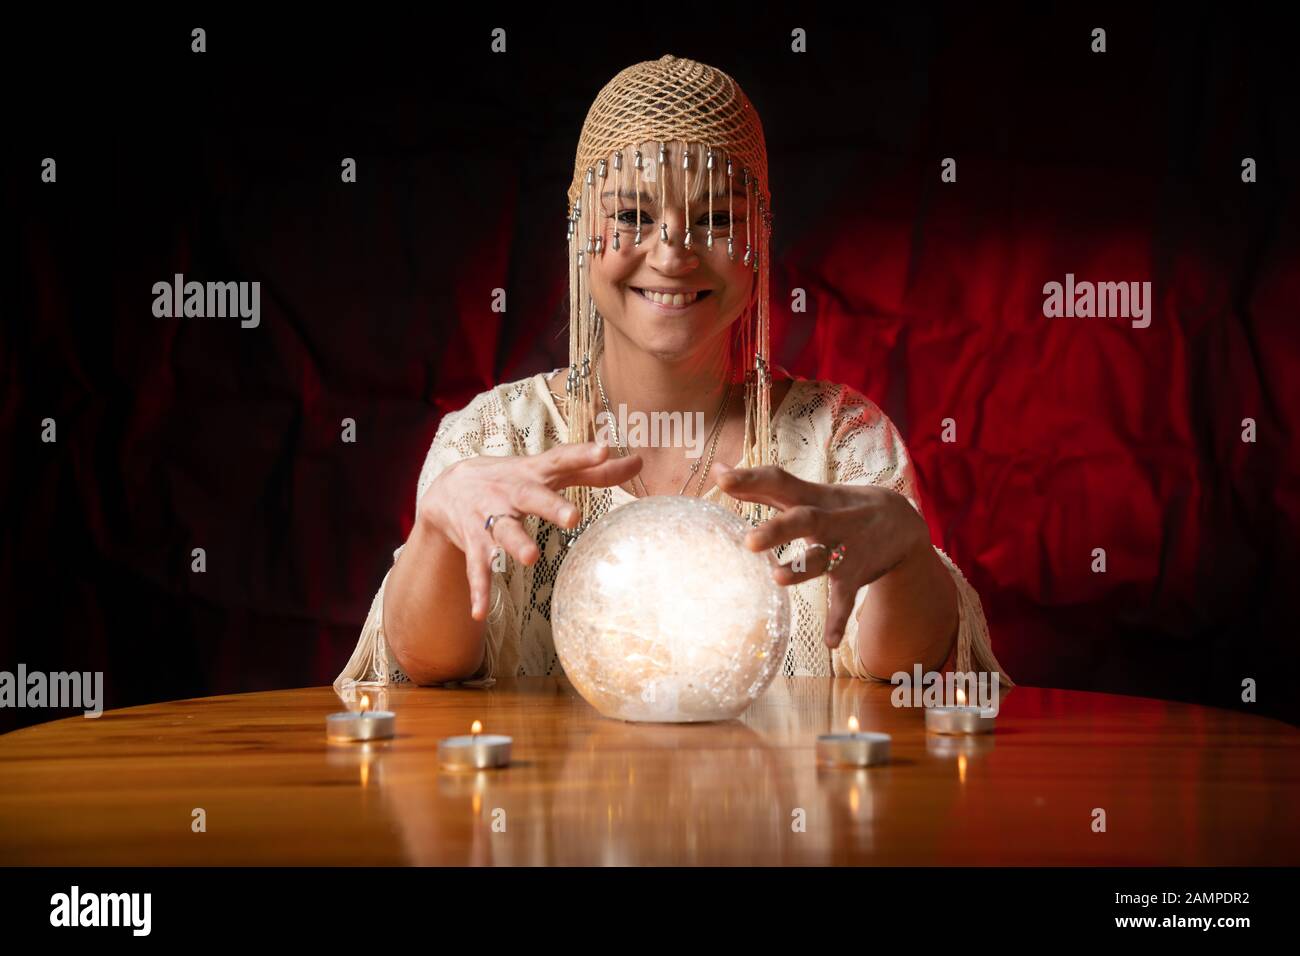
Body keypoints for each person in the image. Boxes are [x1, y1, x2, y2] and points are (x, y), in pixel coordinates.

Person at [335, 55, 1012, 693]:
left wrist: (906, 555)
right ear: (578, 232)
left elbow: (901, 669)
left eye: (716, 219)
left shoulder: (840, 440)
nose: (673, 252)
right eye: (632, 216)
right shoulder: (495, 438)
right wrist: (436, 533)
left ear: (761, 240)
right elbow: (429, 668)